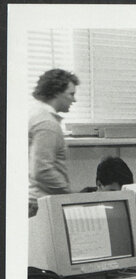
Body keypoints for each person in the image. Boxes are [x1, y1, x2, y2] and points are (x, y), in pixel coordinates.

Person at [29, 68, 79, 217]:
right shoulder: (47, 123)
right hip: (39, 204)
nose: (74, 100)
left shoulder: (37, 116)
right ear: (57, 92)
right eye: (71, 94)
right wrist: (68, 193)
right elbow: (42, 170)